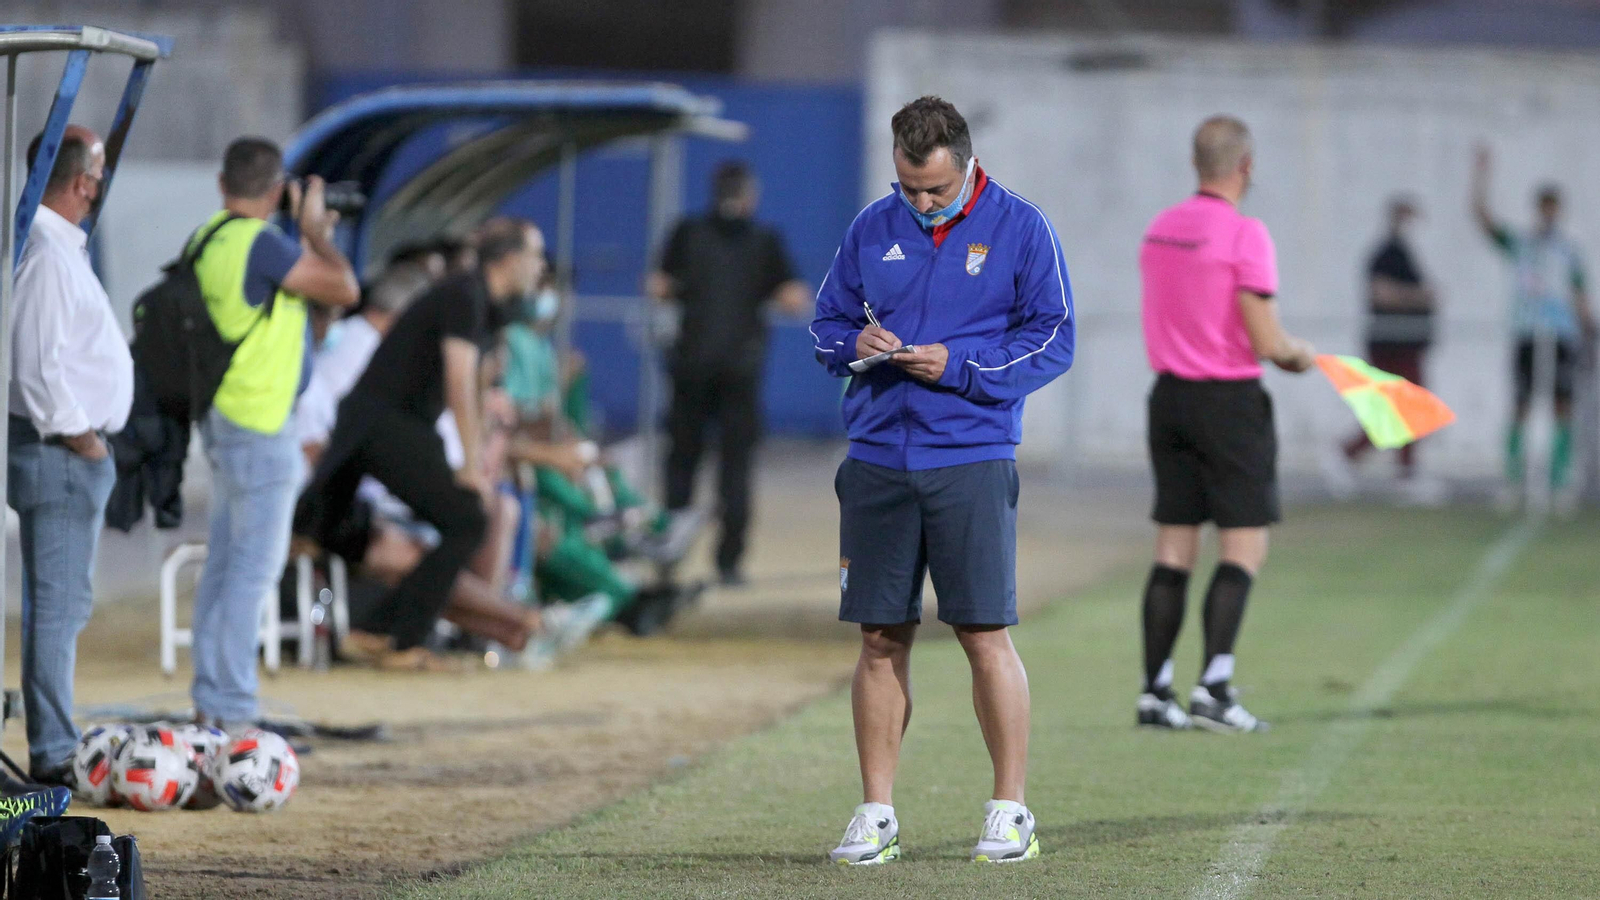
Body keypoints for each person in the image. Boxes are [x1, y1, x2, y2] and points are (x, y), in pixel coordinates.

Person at [810, 96, 1074, 865]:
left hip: (971, 456)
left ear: (965, 163)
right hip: (876, 459)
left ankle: (1010, 810)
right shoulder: (872, 225)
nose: (919, 202)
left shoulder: (1023, 228)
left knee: (983, 633)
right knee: (880, 638)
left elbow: (1054, 337)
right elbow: (826, 325)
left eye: (933, 188)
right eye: (908, 187)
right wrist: (854, 341)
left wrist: (960, 367)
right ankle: (876, 812)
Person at [1135, 116, 1316, 735]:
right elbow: (1266, 342)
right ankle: (1213, 687)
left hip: (1169, 400)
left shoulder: (1160, 230)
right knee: (1242, 547)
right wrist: (1302, 356)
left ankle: (1156, 693)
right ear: (1246, 165)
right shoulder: (1246, 234)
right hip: (1230, 404)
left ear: (1196, 163)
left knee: (1173, 550)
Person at [296, 218, 542, 671]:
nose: (540, 268)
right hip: (383, 426)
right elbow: (458, 381)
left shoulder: (480, 303)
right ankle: (391, 635)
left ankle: (389, 632)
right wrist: (470, 466)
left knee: (465, 519)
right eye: (535, 256)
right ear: (509, 260)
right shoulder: (464, 296)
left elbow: (473, 384)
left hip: (395, 426)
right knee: (467, 516)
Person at [190, 138, 359, 731]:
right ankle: (234, 711)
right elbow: (345, 288)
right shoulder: (262, 244)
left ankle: (212, 700)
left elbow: (315, 314)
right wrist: (316, 232)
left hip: (225, 418)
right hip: (260, 425)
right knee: (252, 572)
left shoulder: (210, 238)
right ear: (276, 190)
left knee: (226, 566)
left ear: (222, 183)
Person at [7, 126, 130, 786]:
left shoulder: (54, 249)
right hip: (58, 450)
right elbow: (34, 368)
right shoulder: (49, 257)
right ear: (83, 182)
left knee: (63, 603)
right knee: (57, 607)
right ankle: (53, 752)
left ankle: (56, 741)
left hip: (64, 448)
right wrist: (81, 436)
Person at [648, 161, 809, 586]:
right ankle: (729, 563)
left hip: (690, 366)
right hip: (740, 370)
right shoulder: (764, 239)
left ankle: (669, 558)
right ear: (750, 194)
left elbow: (658, 287)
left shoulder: (687, 232)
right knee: (734, 470)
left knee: (681, 465)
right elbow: (795, 297)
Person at [1471, 146, 1595, 506]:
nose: (1549, 212)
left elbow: (1579, 292)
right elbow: (1484, 221)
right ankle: (1512, 479)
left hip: (1560, 335)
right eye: (1544, 205)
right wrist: (1481, 176)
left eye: (1553, 206)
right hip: (1527, 332)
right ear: (1537, 208)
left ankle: (1559, 483)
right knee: (1521, 406)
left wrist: (1588, 328)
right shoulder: (1522, 243)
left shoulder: (1570, 248)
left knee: (1562, 405)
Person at [1324, 197, 1441, 503]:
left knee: (1404, 408)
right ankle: (1354, 457)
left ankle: (1399, 469)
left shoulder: (1405, 253)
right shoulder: (1385, 254)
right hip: (1390, 345)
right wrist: (1421, 297)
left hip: (1406, 343)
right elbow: (1382, 294)